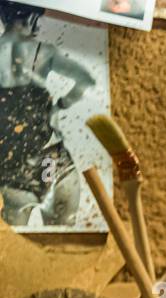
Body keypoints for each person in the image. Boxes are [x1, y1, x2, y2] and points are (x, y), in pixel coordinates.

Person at [0, 1, 97, 227]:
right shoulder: (43, 51)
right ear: (33, 18)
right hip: (53, 161)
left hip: (14, 169)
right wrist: (62, 104)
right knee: (60, 248)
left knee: (15, 255)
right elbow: (86, 80)